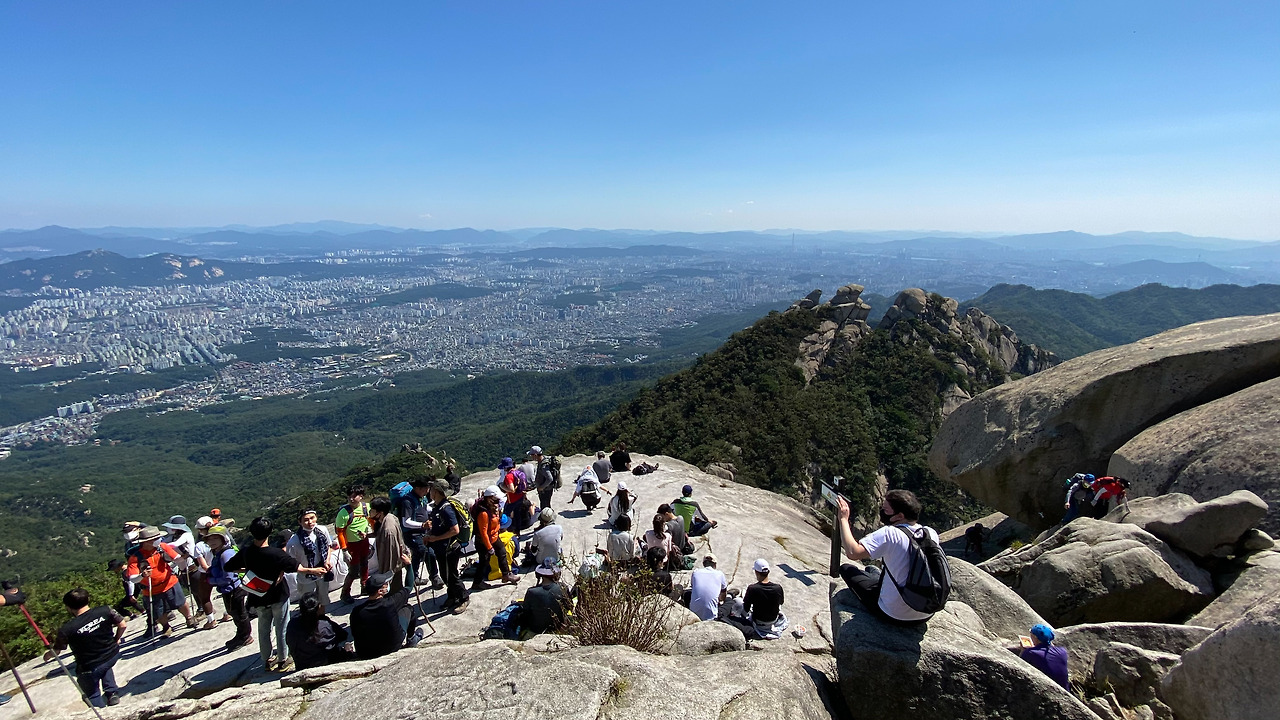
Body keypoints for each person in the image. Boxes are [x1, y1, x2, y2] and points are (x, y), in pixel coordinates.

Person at [225, 517, 327, 673]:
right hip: (278, 594)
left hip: (258, 596)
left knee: (263, 629)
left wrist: (247, 571)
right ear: (270, 532)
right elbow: (297, 567)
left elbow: (229, 567)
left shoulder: (246, 552)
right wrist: (314, 570)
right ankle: (283, 658)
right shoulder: (276, 553)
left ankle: (266, 660)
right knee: (282, 627)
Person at [835, 489, 941, 625]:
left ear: (899, 516)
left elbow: (852, 552)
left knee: (846, 569)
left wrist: (843, 519)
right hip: (926, 612)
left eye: (885, 509)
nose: (881, 511)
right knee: (872, 569)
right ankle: (876, 577)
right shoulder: (930, 533)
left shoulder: (890, 533)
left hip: (892, 613)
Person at [45, 588, 127, 708]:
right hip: (112, 654)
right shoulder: (105, 610)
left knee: (91, 693)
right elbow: (123, 624)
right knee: (104, 664)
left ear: (68, 607)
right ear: (88, 599)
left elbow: (57, 650)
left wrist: (47, 655)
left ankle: (101, 711)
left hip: (90, 666)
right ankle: (112, 692)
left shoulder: (67, 629)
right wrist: (116, 639)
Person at [125, 525, 197, 638]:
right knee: (158, 611)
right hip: (150, 588)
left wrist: (184, 556)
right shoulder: (135, 558)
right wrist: (141, 575)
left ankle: (189, 618)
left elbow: (176, 558)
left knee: (180, 602)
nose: (159, 540)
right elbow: (132, 578)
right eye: (155, 538)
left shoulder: (162, 547)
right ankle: (166, 627)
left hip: (169, 582)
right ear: (147, 541)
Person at [350, 571, 422, 659]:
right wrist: (409, 565)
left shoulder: (356, 611)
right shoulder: (390, 603)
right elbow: (409, 586)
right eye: (386, 584)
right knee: (408, 609)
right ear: (380, 591)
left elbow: (355, 633)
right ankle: (412, 639)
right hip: (392, 647)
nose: (388, 585)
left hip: (365, 653)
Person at [424, 479, 469, 615]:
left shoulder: (446, 508)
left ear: (436, 492)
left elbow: (455, 530)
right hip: (442, 548)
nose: (429, 492)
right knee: (445, 574)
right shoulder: (438, 506)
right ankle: (452, 596)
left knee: (452, 576)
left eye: (431, 489)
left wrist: (435, 538)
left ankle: (463, 598)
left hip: (450, 548)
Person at [205, 526, 253, 650]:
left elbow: (228, 577)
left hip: (234, 588)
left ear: (223, 539)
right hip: (229, 589)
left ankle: (245, 637)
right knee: (234, 612)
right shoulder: (220, 553)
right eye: (210, 539)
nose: (212, 541)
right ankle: (241, 634)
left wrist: (212, 580)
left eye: (216, 538)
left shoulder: (225, 555)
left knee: (239, 614)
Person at [286, 592, 355, 671]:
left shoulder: (292, 624)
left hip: (301, 665)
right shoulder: (324, 626)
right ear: (319, 607)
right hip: (323, 664)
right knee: (345, 647)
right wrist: (323, 617)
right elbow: (342, 635)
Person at [395, 478, 442, 590]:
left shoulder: (421, 498)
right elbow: (406, 522)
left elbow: (426, 509)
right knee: (428, 553)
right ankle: (435, 577)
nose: (427, 491)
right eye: (425, 489)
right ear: (417, 488)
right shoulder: (407, 501)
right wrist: (422, 525)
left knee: (417, 554)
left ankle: (413, 577)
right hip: (412, 534)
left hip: (422, 532)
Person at [285, 509, 335, 608]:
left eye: (312, 518)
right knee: (309, 604)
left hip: (322, 572)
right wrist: (312, 571)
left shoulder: (322, 530)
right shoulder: (294, 542)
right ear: (300, 522)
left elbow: (328, 546)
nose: (310, 522)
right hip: (306, 577)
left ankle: (322, 618)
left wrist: (327, 560)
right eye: (306, 520)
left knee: (323, 599)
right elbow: (292, 564)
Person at [473, 486, 520, 589]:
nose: (498, 501)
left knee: (502, 553)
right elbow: (483, 533)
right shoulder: (483, 513)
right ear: (489, 498)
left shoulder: (493, 508)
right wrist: (489, 548)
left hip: (494, 537)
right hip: (484, 541)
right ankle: (477, 582)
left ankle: (506, 574)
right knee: (484, 561)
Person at [335, 486, 372, 604]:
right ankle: (345, 593)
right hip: (351, 545)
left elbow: (371, 521)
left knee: (365, 564)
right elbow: (339, 532)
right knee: (354, 570)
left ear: (361, 496)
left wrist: (368, 533)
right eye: (349, 496)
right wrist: (344, 550)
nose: (351, 499)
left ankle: (364, 586)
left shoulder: (366, 507)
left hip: (364, 541)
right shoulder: (343, 512)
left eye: (354, 496)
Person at [369, 497, 411, 594]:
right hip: (393, 565)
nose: (370, 512)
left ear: (380, 512)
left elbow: (391, 553)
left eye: (372, 510)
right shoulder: (389, 517)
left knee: (393, 593)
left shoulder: (388, 530)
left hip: (392, 567)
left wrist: (386, 576)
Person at [521, 558, 571, 636]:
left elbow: (525, 613)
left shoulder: (531, 592)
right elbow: (569, 607)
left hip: (536, 629)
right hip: (557, 627)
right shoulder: (563, 587)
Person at [742, 558, 788, 639]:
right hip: (773, 619)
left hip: (759, 621)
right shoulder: (778, 587)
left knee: (738, 602)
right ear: (768, 572)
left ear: (756, 572)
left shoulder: (752, 588)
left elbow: (746, 608)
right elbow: (781, 602)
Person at [1020, 623, 1070, 690]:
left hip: (1048, 690)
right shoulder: (1062, 652)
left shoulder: (1030, 653)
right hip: (1065, 690)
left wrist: (1023, 650)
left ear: (1035, 637)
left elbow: (1020, 664)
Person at [686, 554, 727, 621]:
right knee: (729, 602)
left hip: (694, 614)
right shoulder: (720, 574)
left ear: (703, 564)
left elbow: (693, 587)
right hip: (711, 617)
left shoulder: (696, 572)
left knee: (687, 594)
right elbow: (723, 596)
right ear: (715, 564)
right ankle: (731, 596)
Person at [502, 461, 535, 535]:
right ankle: (517, 532)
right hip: (520, 497)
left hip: (512, 499)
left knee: (506, 515)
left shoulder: (509, 476)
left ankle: (507, 532)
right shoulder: (519, 473)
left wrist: (502, 486)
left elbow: (512, 489)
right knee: (517, 515)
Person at [531, 445, 557, 511]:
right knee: (546, 504)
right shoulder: (544, 459)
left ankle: (547, 518)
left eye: (532, 454)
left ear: (535, 455)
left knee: (545, 506)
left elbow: (550, 479)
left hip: (546, 490)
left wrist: (541, 487)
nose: (530, 456)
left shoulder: (544, 466)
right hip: (546, 488)